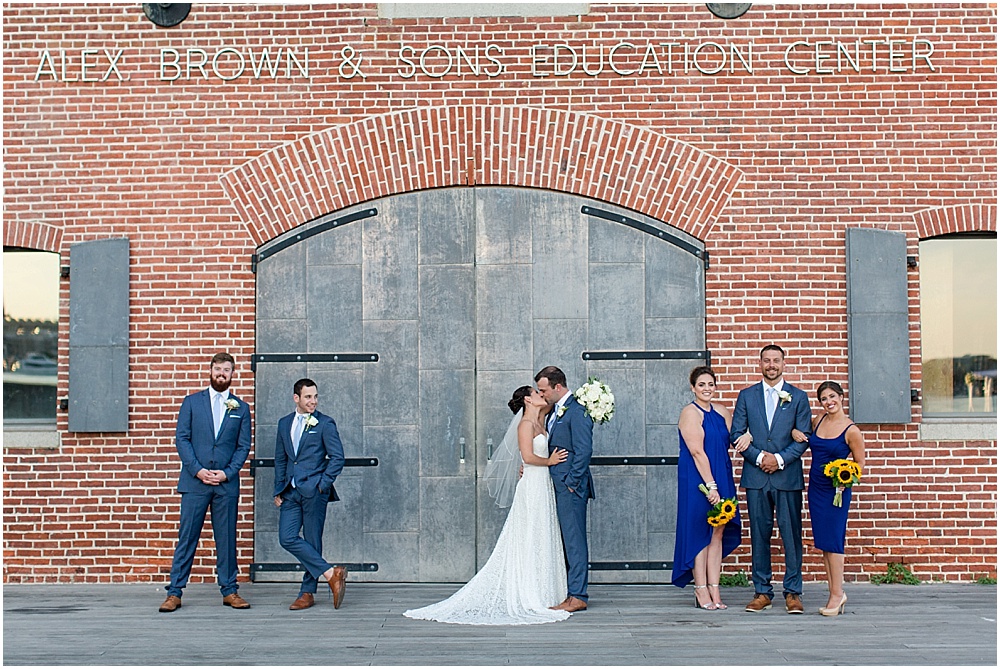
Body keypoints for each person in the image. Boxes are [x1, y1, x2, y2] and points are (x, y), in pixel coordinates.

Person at [403, 386, 570, 624]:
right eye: (536, 393)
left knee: (542, 534)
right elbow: (528, 457)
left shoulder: (541, 420)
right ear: (527, 400)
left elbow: (556, 402)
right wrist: (550, 460)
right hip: (532, 485)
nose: (541, 395)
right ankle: (530, 592)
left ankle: (546, 591)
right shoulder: (525, 425)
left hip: (542, 484)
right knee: (530, 534)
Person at [159, 353, 252, 613]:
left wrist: (228, 473)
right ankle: (174, 592)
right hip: (195, 483)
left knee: (227, 538)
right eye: (218, 369)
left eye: (227, 369)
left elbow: (243, 446)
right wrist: (198, 471)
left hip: (225, 484)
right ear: (210, 371)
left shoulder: (241, 408)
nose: (222, 373)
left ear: (233, 374)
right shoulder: (191, 402)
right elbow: (182, 439)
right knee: (187, 537)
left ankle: (230, 590)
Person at [731, 345, 812, 614]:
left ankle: (793, 592)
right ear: (760, 364)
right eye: (766, 360)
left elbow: (803, 438)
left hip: (786, 476)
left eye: (776, 360)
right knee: (759, 535)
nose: (771, 365)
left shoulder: (798, 397)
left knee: (791, 534)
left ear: (783, 364)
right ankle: (762, 591)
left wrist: (777, 460)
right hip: (756, 477)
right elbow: (736, 433)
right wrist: (758, 458)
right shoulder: (746, 396)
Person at [671, 366, 742, 610]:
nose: (707, 388)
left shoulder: (722, 411)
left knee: (718, 531)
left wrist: (749, 437)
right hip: (699, 480)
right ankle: (700, 589)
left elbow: (736, 437)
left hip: (722, 474)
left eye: (711, 384)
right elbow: (696, 451)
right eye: (702, 384)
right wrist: (710, 486)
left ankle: (715, 588)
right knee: (700, 533)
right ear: (693, 387)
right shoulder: (690, 413)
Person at [274, 378, 347, 610]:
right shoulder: (284, 423)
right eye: (308, 397)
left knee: (313, 541)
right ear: (296, 398)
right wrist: (279, 490)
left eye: (315, 396)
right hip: (290, 492)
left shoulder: (325, 423)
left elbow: (338, 458)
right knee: (287, 537)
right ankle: (330, 573)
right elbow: (281, 459)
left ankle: (307, 592)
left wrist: (322, 484)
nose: (313, 401)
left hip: (314, 491)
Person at [795, 381, 866, 616]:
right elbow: (804, 435)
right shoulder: (819, 421)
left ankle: (838, 594)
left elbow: (860, 464)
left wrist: (845, 480)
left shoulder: (851, 430)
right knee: (824, 542)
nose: (829, 402)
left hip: (837, 490)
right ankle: (833, 591)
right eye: (824, 399)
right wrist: (796, 432)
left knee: (834, 542)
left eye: (832, 396)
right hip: (816, 488)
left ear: (842, 396)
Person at [535, 365, 594, 613]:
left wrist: (572, 482)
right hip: (557, 486)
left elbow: (584, 450)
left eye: (544, 390)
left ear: (557, 387)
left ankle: (578, 595)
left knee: (574, 540)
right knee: (565, 540)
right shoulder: (556, 411)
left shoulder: (577, 411)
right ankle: (569, 591)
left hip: (571, 488)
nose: (542, 395)